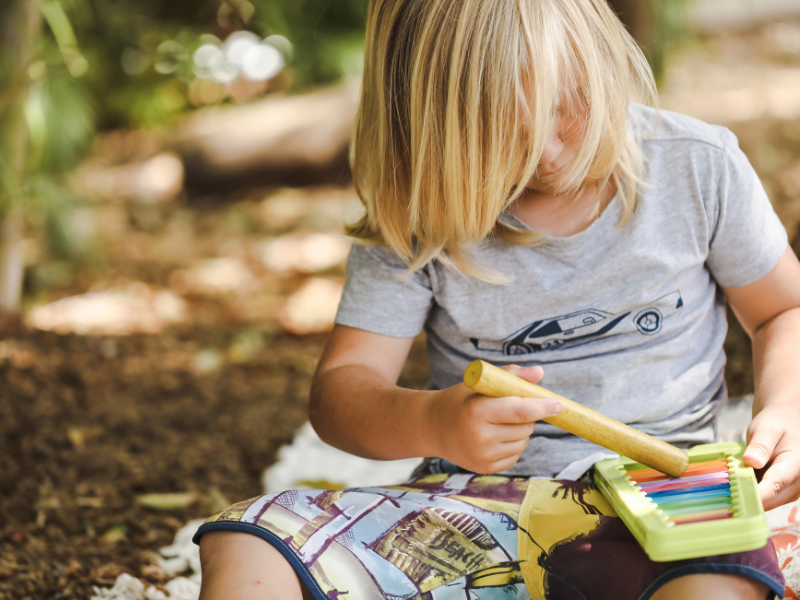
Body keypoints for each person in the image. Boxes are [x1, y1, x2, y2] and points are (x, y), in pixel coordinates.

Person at [195, 0, 800, 598]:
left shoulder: (698, 167)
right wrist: (433, 422)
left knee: (718, 581)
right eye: (498, 134)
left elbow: (784, 309)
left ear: (605, 56)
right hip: (475, 510)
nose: (547, 153)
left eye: (563, 108)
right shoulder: (419, 210)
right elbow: (340, 393)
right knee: (246, 542)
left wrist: (786, 407)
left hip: (670, 494)